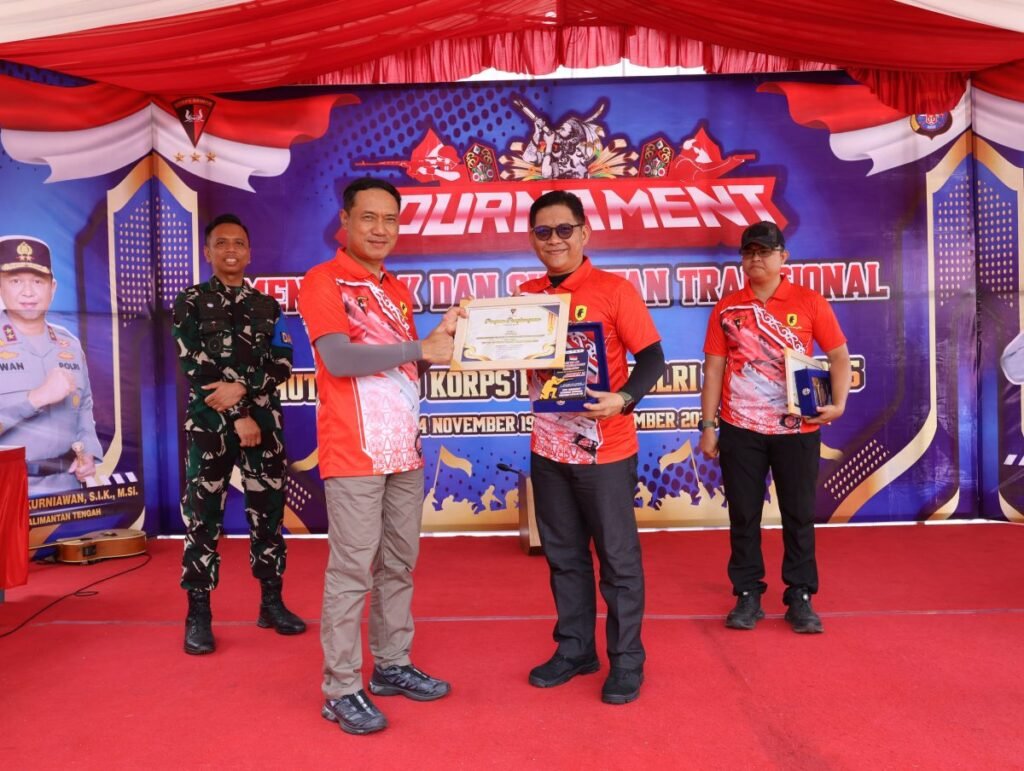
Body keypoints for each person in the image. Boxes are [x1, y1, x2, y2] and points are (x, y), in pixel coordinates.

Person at [297, 177, 458, 736]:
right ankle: (341, 688)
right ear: (345, 221)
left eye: (390, 219)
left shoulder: (396, 289)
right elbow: (340, 360)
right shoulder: (323, 281)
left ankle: (391, 664)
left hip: (403, 449)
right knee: (351, 571)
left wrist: (440, 345)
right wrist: (420, 347)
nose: (381, 229)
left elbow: (403, 366)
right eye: (369, 217)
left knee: (399, 563)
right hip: (354, 450)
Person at [519, 190, 665, 705]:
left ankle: (627, 660)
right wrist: (477, 334)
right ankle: (575, 649)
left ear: (584, 233)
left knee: (618, 561)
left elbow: (653, 360)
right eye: (543, 232)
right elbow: (502, 352)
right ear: (532, 239)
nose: (554, 240)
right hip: (548, 449)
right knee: (564, 557)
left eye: (564, 229)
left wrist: (623, 398)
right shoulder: (526, 295)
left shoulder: (614, 290)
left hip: (606, 451)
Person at [699, 221, 850, 634]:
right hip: (740, 428)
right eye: (749, 253)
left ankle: (800, 595)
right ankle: (747, 592)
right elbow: (714, 369)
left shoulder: (809, 302)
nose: (756, 259)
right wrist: (708, 425)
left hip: (797, 430)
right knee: (744, 515)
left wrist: (838, 405)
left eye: (764, 252)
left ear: (783, 257)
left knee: (798, 514)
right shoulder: (727, 308)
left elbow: (839, 356)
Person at [172, 213, 305, 656]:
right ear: (207, 252)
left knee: (268, 515)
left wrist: (244, 392)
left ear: (249, 253)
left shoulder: (268, 306)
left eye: (239, 243)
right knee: (202, 518)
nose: (231, 250)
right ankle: (198, 613)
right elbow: (194, 366)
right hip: (210, 427)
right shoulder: (190, 301)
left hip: (264, 429)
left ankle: (271, 603)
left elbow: (282, 363)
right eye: (221, 243)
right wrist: (239, 413)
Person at [0, 235, 102, 496]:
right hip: (7, 492)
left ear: (52, 287)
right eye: (15, 281)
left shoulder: (69, 345)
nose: (28, 292)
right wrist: (34, 399)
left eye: (38, 281)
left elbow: (84, 409)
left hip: (66, 490)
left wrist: (88, 451)